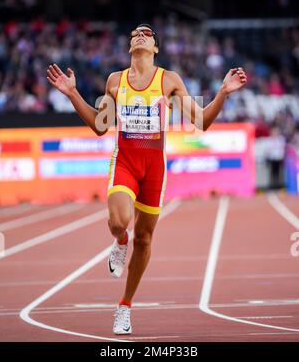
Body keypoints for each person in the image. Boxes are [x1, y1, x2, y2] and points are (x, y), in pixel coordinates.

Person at [47, 23, 247, 335]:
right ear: (130, 47)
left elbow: (202, 121)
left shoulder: (168, 80)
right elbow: (100, 126)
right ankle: (119, 241)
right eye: (136, 33)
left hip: (154, 168)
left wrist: (223, 92)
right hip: (125, 162)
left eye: (148, 33)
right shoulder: (115, 80)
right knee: (119, 222)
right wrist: (72, 92)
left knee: (145, 239)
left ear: (155, 47)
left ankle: (124, 306)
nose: (141, 34)